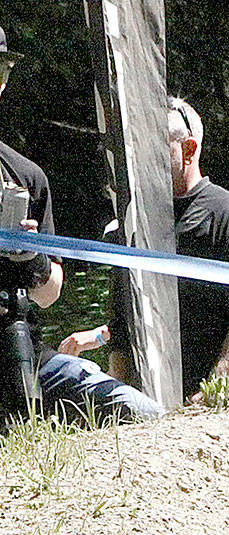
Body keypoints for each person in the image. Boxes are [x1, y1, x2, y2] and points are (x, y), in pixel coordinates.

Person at [0, 28, 163, 424]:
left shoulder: (23, 176)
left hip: (19, 350)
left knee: (141, 413)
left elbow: (50, 292)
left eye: (0, 71)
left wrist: (31, 256)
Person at [110, 96, 229, 402]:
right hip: (154, 400)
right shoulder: (136, 224)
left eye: (156, 147)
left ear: (188, 150)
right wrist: (115, 401)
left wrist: (209, 394)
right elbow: (122, 325)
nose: (145, 158)